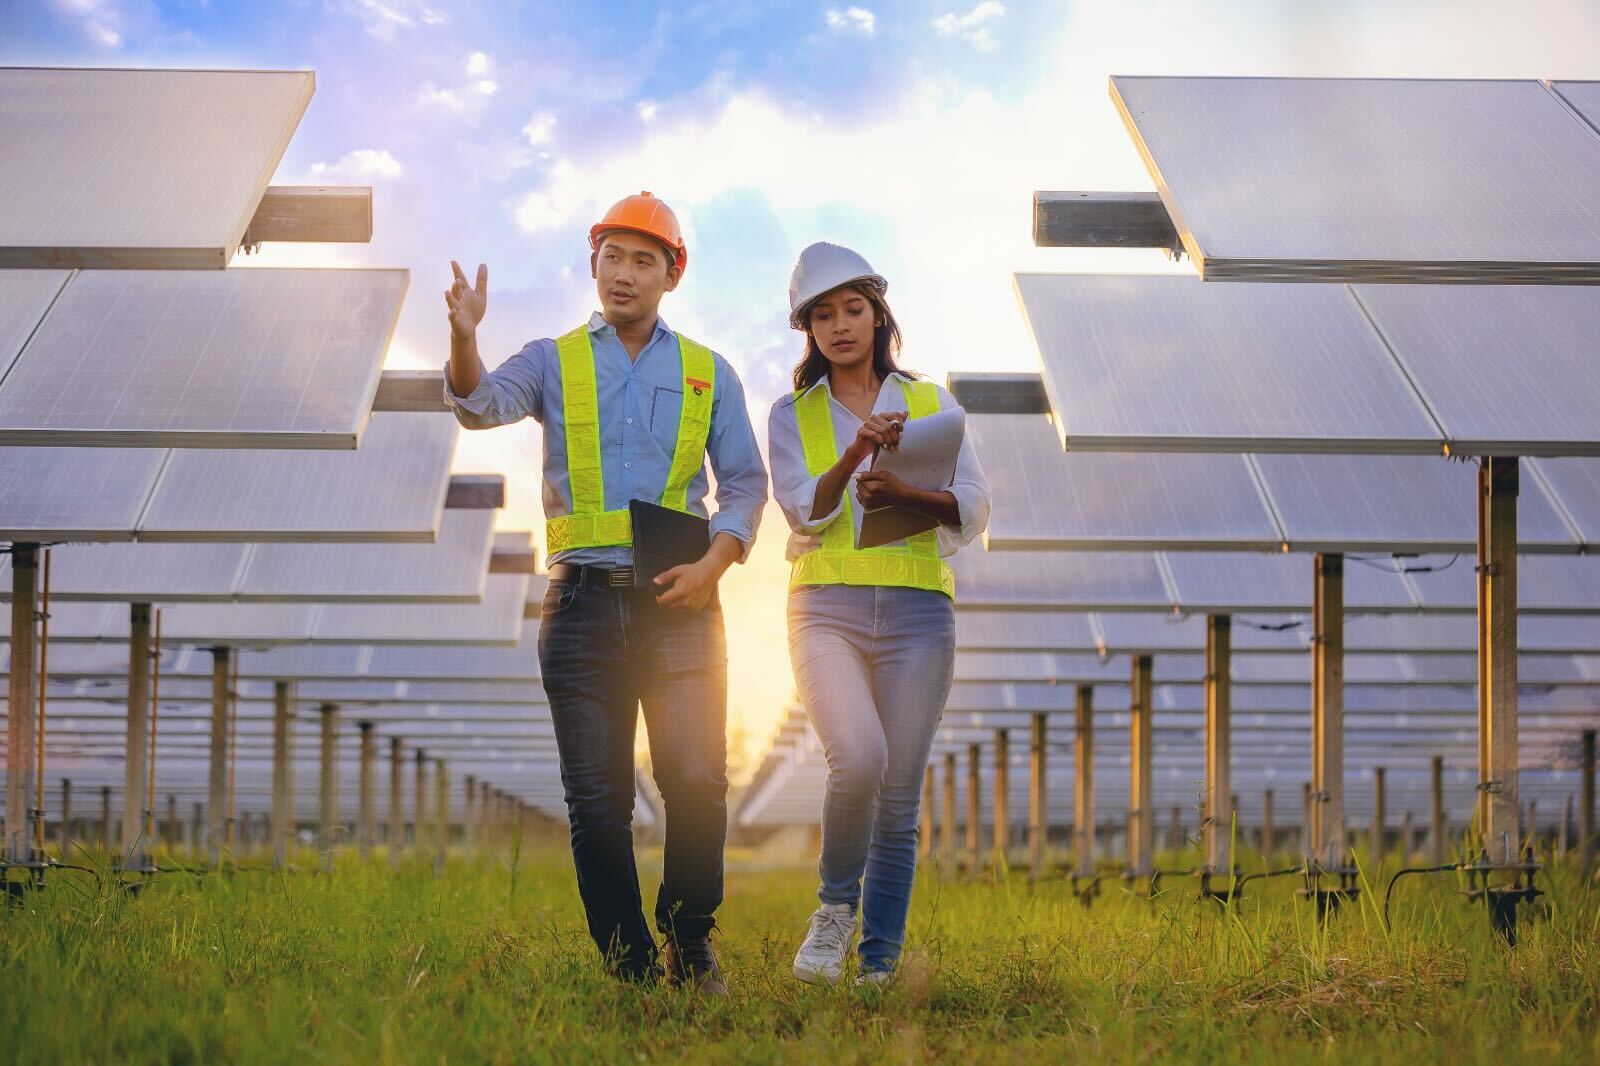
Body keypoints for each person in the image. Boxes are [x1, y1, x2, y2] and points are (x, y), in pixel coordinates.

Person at [442, 192, 767, 996]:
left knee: (695, 777)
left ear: (672, 274)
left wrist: (714, 566)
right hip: (581, 607)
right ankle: (629, 969)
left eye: (643, 260)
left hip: (681, 603)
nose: (623, 274)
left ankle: (690, 941)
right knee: (597, 799)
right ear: (593, 262)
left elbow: (745, 486)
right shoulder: (552, 359)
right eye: (612, 256)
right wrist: (463, 337)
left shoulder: (706, 372)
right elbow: (478, 405)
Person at [767, 242, 990, 986]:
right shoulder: (792, 414)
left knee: (899, 794)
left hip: (919, 614)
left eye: (852, 309)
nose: (840, 325)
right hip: (825, 609)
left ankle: (879, 966)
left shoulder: (931, 404)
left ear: (877, 314)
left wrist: (903, 494)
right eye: (822, 315)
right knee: (858, 757)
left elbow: (974, 507)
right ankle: (834, 911)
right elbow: (803, 506)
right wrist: (857, 452)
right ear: (809, 330)